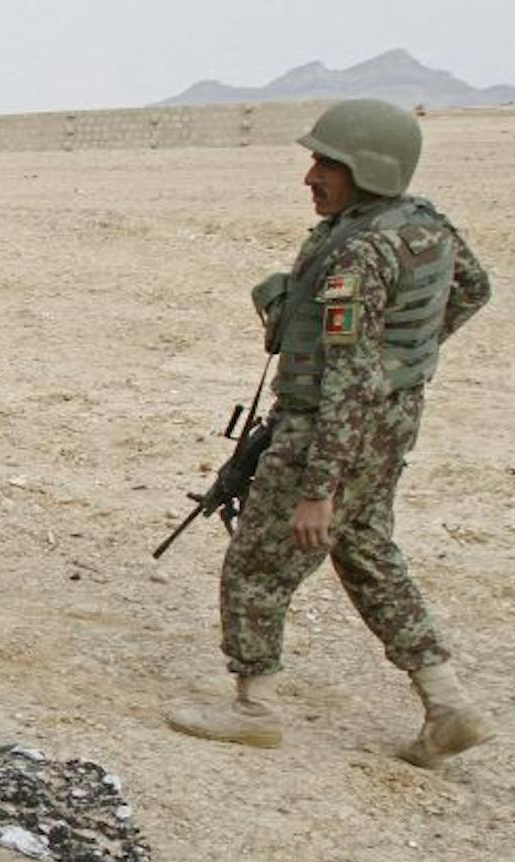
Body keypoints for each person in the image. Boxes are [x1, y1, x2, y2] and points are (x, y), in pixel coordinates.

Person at [166, 99, 493, 767]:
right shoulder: (424, 226)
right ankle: (448, 702)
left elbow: (344, 377)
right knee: (366, 549)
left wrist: (319, 488)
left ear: (368, 169)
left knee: (257, 565)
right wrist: (405, 359)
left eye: (327, 164)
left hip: (327, 428)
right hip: (389, 423)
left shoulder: (360, 254)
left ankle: (253, 710)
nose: (310, 176)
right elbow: (472, 289)